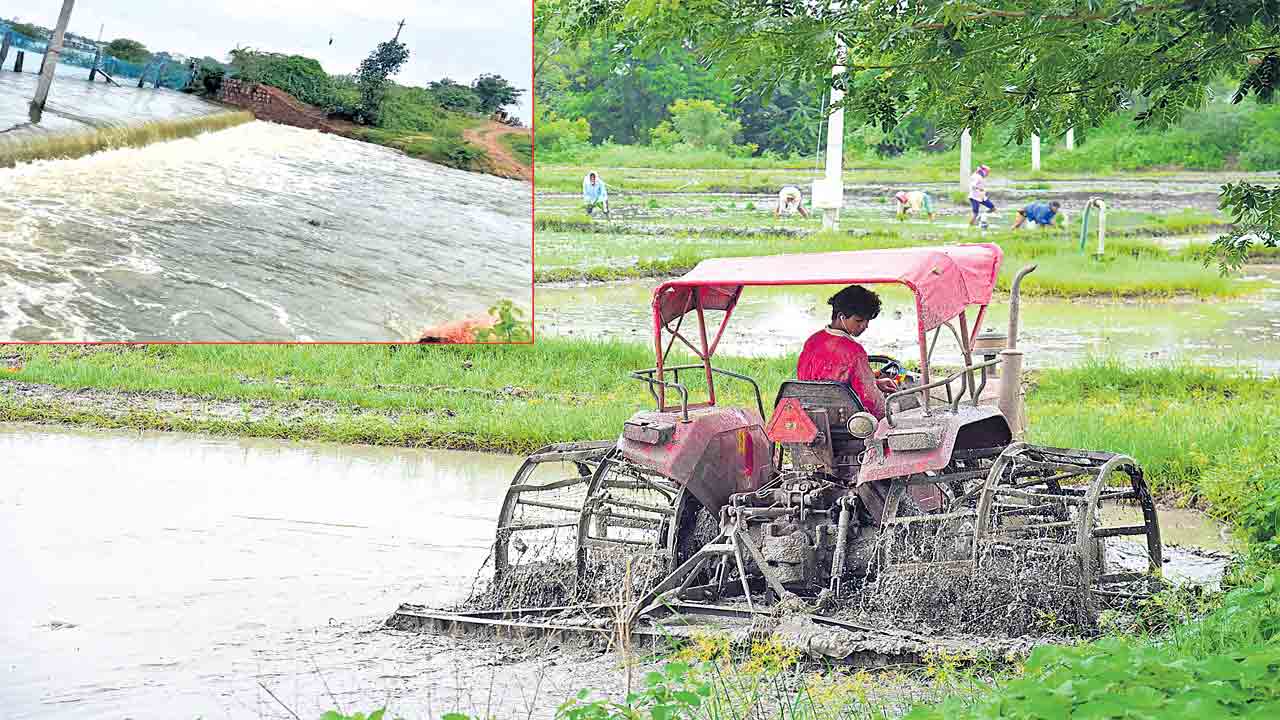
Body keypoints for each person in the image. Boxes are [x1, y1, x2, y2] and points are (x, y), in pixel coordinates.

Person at [797, 285, 898, 420]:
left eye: (867, 321)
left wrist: (876, 383)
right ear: (841, 316)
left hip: (810, 416)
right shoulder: (854, 351)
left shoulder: (813, 340)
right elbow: (871, 401)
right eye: (859, 320)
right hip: (845, 422)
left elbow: (816, 384)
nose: (864, 326)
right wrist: (889, 413)